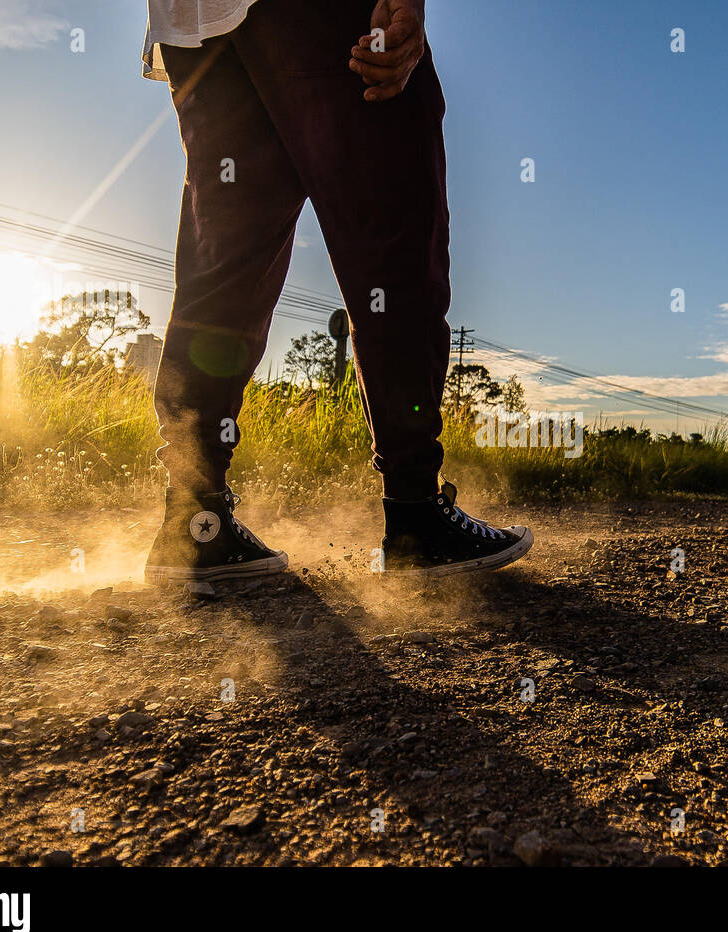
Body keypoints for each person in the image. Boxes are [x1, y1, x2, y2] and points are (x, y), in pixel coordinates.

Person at [139, 0, 532, 583]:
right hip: (315, 18)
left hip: (197, 22)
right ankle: (415, 513)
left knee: (224, 257)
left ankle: (196, 520)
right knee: (393, 233)